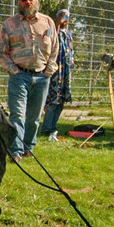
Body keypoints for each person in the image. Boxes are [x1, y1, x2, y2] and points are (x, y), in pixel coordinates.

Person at [0, 0, 59, 159]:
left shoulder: (48, 23)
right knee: (17, 114)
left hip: (42, 76)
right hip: (19, 76)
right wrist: (14, 71)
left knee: (34, 117)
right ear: (18, 2)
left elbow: (55, 49)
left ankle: (28, 148)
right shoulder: (9, 24)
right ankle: (15, 151)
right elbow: (2, 52)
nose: (27, 2)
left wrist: (49, 71)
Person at [39, 8, 74, 142]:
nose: (64, 19)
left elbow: (70, 49)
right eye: (61, 16)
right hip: (55, 71)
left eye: (66, 17)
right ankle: (47, 126)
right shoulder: (53, 31)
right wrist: (57, 25)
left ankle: (53, 125)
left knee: (62, 99)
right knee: (53, 99)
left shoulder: (68, 34)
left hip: (65, 72)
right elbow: (51, 41)